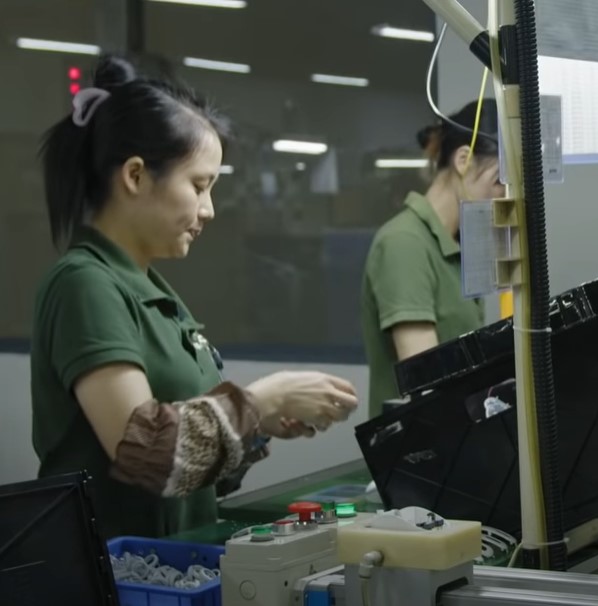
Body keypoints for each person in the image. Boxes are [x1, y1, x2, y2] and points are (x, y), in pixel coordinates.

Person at [29, 55, 359, 539]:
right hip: (113, 575)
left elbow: (191, 474)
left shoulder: (155, 294)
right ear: (136, 176)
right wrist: (263, 399)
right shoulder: (85, 284)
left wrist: (260, 424)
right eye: (199, 186)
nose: (208, 210)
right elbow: (150, 456)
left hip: (175, 564)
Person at [360, 100, 503, 415]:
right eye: (499, 181)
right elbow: (427, 382)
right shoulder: (405, 244)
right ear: (463, 160)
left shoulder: (461, 246)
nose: (506, 196)